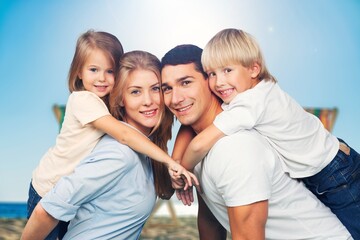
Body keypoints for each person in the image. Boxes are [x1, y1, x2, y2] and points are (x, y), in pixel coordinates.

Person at [176, 28, 360, 239]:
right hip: (322, 170)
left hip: (336, 172)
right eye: (212, 74)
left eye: (227, 70)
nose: (219, 82)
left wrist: (182, 173)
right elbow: (190, 126)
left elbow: (199, 144)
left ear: (254, 69)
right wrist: (174, 159)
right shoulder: (249, 96)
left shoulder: (251, 103)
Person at [27, 30, 197, 239]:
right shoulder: (117, 148)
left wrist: (176, 167)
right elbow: (45, 211)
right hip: (45, 186)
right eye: (135, 91)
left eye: (155, 89)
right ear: (120, 98)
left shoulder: (143, 147)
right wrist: (171, 162)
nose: (148, 100)